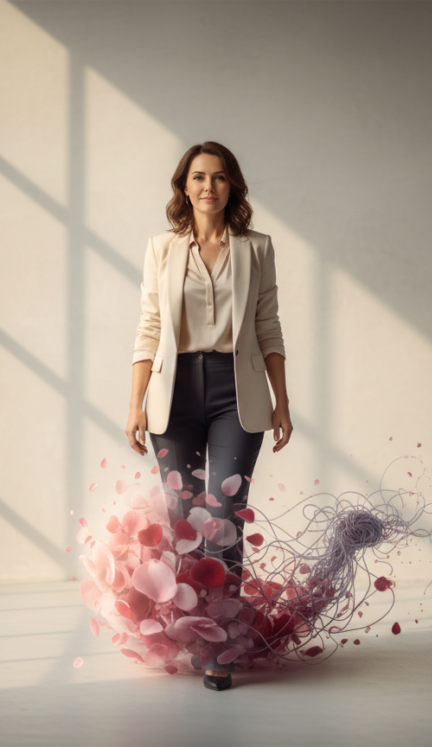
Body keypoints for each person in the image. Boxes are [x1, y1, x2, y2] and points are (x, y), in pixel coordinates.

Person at [124, 141, 292, 691]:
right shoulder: (161, 249)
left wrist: (281, 401)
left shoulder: (257, 248)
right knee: (184, 519)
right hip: (172, 394)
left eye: (219, 177)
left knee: (224, 514)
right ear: (184, 185)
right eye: (198, 177)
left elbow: (268, 325)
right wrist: (135, 403)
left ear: (232, 185)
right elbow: (150, 327)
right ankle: (192, 633)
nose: (208, 187)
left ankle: (221, 645)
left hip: (234, 392)